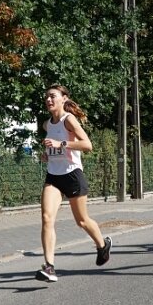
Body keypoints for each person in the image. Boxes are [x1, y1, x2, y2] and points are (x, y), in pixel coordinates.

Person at [36, 84, 111, 282]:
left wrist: (61, 144)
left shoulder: (68, 120)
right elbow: (53, 147)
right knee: (46, 217)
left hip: (72, 174)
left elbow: (87, 145)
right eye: (47, 97)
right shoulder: (47, 124)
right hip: (53, 175)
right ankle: (49, 267)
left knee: (82, 221)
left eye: (53, 96)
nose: (49, 100)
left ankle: (102, 245)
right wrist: (47, 154)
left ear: (64, 99)